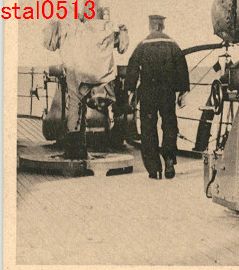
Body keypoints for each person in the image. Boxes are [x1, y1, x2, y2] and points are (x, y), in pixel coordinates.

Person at [44, 10, 129, 159]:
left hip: (76, 71)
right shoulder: (107, 27)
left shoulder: (68, 27)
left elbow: (50, 43)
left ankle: (75, 148)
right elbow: (122, 47)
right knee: (85, 105)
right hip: (99, 73)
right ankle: (82, 147)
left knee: (75, 106)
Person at [125, 15, 190, 179]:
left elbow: (132, 66)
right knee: (169, 125)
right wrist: (183, 91)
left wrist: (131, 90)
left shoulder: (143, 44)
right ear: (162, 26)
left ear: (150, 26)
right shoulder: (172, 44)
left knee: (148, 128)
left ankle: (154, 169)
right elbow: (182, 67)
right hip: (167, 92)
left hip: (148, 92)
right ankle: (169, 160)